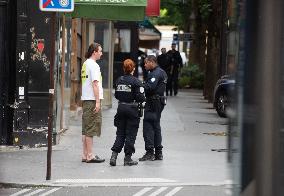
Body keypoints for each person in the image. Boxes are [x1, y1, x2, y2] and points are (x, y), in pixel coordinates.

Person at [110, 59, 146, 166]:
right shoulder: (136, 82)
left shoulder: (119, 80)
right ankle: (127, 158)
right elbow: (141, 97)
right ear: (133, 69)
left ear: (124, 69)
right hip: (132, 110)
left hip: (121, 108)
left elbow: (116, 95)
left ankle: (114, 155)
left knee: (120, 133)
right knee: (130, 134)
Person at [139, 55, 167, 161]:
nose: (145, 65)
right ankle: (158, 153)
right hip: (158, 102)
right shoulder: (161, 72)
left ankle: (150, 152)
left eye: (146, 63)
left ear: (152, 62)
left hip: (153, 103)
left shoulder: (155, 73)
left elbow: (150, 87)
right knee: (156, 126)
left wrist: (140, 84)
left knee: (148, 126)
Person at [81, 42, 105, 163]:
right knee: (91, 128)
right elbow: (95, 84)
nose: (101, 53)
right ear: (94, 52)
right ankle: (90, 155)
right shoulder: (94, 65)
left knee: (86, 128)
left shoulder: (85, 63)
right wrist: (97, 102)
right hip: (92, 99)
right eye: (100, 51)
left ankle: (85, 154)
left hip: (86, 99)